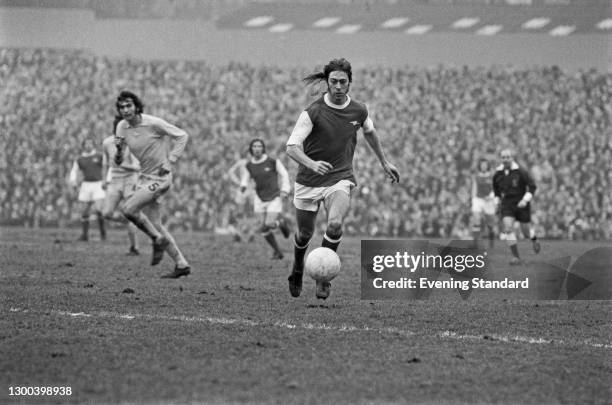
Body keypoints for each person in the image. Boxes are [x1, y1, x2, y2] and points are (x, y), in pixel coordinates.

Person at [285, 58, 400, 299]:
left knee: (335, 224)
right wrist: (311, 163)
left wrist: (384, 161)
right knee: (304, 234)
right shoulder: (313, 112)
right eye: (333, 82)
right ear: (327, 83)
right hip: (308, 180)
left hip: (340, 177)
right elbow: (292, 147)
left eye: (342, 82)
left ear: (349, 84)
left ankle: (322, 279)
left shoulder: (359, 110)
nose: (338, 86)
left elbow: (370, 132)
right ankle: (297, 267)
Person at [114, 90, 191, 278]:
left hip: (161, 177)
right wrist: (118, 151)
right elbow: (119, 160)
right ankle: (181, 264)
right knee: (156, 224)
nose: (125, 110)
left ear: (136, 106)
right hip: (145, 177)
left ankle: (157, 240)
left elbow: (182, 135)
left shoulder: (153, 123)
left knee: (128, 209)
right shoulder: (121, 127)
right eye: (122, 107)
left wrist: (170, 160)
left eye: (129, 105)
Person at [239, 138, 291, 259]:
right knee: (263, 228)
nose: (257, 149)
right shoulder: (249, 165)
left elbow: (284, 174)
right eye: (255, 146)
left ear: (263, 148)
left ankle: (280, 223)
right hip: (259, 198)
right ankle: (278, 251)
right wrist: (243, 185)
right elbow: (246, 177)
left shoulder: (272, 161)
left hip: (274, 197)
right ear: (251, 149)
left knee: (269, 223)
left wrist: (285, 190)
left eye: (259, 146)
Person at [492, 149, 541, 265]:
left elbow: (532, 186)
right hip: (507, 204)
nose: (505, 159)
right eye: (503, 157)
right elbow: (496, 192)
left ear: (512, 158)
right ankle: (516, 257)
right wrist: (497, 203)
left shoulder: (521, 171)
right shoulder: (497, 174)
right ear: (500, 159)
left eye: (508, 157)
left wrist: (525, 200)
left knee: (526, 233)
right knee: (508, 228)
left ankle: (534, 239)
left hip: (521, 203)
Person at [101, 116, 141, 255]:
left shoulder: (132, 143)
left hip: (130, 180)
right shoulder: (107, 143)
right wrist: (103, 180)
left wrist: (122, 164)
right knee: (106, 213)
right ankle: (128, 221)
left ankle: (134, 247)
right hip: (115, 180)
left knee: (130, 212)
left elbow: (136, 166)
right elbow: (105, 163)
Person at [69, 138, 106, 241]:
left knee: (99, 209)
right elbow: (74, 170)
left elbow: (106, 167)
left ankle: (103, 233)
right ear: (83, 145)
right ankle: (84, 235)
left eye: (90, 143)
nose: (88, 145)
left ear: (93, 145)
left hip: (98, 185)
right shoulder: (80, 159)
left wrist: (106, 180)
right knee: (84, 211)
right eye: (86, 144)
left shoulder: (99, 156)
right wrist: (73, 181)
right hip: (86, 185)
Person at [471, 158, 497, 248]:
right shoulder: (476, 176)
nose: (484, 166)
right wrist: (473, 199)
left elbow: (496, 188)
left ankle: (491, 241)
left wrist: (491, 196)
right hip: (478, 199)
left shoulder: (492, 176)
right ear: (480, 166)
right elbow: (474, 187)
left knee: (490, 224)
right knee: (476, 219)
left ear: (488, 166)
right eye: (482, 165)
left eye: (485, 165)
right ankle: (475, 243)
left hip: (489, 201)